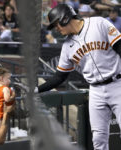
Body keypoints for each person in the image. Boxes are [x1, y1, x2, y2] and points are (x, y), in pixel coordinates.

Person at [37, 4, 121, 150]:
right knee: (98, 138)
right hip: (95, 90)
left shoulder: (98, 23)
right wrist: (37, 89)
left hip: (117, 83)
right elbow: (59, 77)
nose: (56, 28)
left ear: (64, 18)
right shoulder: (67, 47)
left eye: (56, 24)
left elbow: (120, 47)